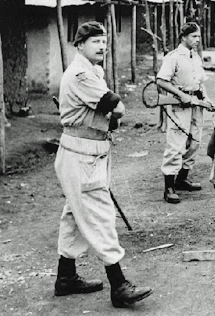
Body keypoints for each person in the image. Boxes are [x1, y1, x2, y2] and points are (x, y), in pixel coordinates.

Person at [54, 21, 152, 308]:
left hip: (90, 151)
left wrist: (112, 114)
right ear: (80, 45)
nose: (101, 46)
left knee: (74, 214)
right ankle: (118, 284)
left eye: (104, 41)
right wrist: (114, 112)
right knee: (100, 214)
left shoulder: (94, 70)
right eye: (94, 41)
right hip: (81, 154)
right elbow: (116, 106)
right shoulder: (82, 73)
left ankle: (66, 278)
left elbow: (113, 114)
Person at [156, 22, 211, 203]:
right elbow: (161, 81)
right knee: (176, 144)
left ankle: (181, 179)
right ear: (183, 37)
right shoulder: (173, 57)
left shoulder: (195, 57)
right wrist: (181, 95)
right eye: (194, 36)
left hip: (196, 103)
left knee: (195, 141)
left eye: (198, 36)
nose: (197, 40)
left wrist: (206, 98)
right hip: (180, 104)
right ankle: (169, 187)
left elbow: (199, 82)